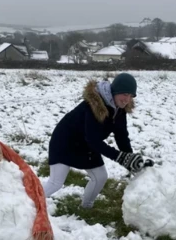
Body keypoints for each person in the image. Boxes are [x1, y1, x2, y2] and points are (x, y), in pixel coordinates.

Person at [43, 73, 152, 209]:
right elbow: (93, 140)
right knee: (56, 183)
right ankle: (27, 202)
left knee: (100, 177)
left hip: (86, 145)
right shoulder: (94, 105)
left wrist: (131, 159)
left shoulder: (120, 110)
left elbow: (121, 136)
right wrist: (120, 158)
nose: (127, 99)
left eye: (131, 96)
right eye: (124, 94)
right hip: (64, 142)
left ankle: (86, 207)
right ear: (115, 91)